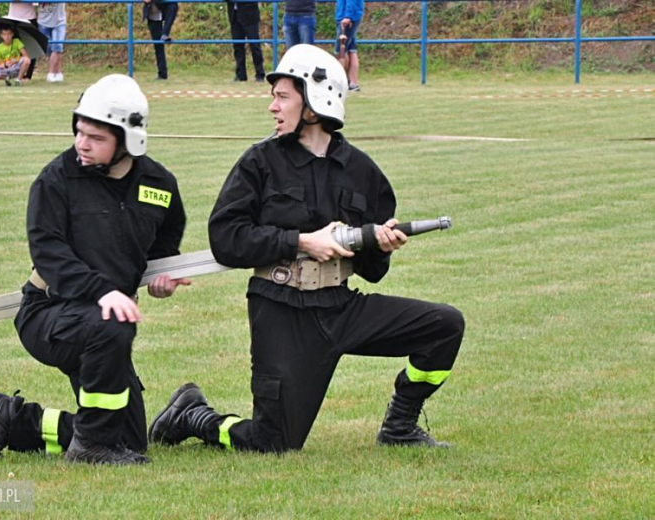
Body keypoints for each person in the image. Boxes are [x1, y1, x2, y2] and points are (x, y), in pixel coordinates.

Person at [149, 45, 464, 454]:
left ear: (315, 103)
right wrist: (299, 241)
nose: (272, 107)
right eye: (274, 97)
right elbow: (226, 238)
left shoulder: (364, 173)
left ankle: (400, 424)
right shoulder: (259, 163)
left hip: (340, 307)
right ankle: (194, 415)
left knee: (444, 326)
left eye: (282, 97)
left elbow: (372, 272)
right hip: (280, 309)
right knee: (274, 444)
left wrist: (381, 244)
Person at [0, 74, 190, 465]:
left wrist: (164, 276)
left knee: (131, 438)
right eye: (79, 132)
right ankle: (92, 449)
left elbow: (164, 240)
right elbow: (48, 251)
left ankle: (10, 417)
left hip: (103, 319)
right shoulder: (57, 179)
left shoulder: (160, 184)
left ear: (128, 140)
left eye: (95, 137)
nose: (82, 144)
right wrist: (103, 291)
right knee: (114, 326)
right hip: (49, 312)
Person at [226, 0, 265, 82]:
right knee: (237, 46)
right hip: (234, 16)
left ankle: (260, 74)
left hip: (249, 15)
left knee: (255, 46)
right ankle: (240, 75)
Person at [143, 0, 179, 80]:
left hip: (163, 9)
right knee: (158, 45)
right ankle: (162, 74)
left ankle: (165, 33)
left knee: (173, 5)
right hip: (152, 13)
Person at [334, 0, 364, 91]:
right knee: (351, 50)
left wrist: (348, 16)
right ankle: (353, 83)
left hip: (346, 17)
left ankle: (342, 81)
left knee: (341, 50)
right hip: (350, 15)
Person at [8, 1, 38, 81]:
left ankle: (28, 75)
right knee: (14, 47)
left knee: (31, 48)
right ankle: (14, 73)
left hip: (29, 18)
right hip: (13, 18)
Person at [38, 2, 66, 83]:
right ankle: (58, 72)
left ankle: (51, 72)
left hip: (59, 22)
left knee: (57, 46)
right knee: (49, 49)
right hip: (43, 22)